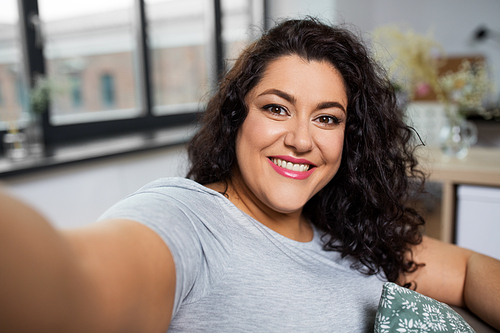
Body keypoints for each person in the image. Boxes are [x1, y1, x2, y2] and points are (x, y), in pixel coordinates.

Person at [1, 17, 499, 332]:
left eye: (327, 118)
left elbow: (472, 270)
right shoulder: (188, 221)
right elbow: (72, 282)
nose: (302, 139)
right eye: (277, 108)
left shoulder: (347, 231)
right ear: (238, 118)